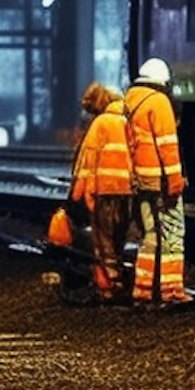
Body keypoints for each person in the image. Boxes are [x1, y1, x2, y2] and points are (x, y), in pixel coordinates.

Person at [125, 57, 189, 305]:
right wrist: (175, 181)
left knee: (149, 235)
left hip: (139, 181)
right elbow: (167, 147)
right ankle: (171, 290)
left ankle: (142, 290)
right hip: (160, 182)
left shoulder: (129, 100)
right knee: (173, 234)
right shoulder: (159, 102)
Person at [69, 81, 132, 302]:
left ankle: (109, 285)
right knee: (119, 237)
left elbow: (87, 160)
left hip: (104, 191)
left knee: (103, 239)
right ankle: (120, 278)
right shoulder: (128, 121)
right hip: (128, 192)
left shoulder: (101, 124)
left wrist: (77, 193)